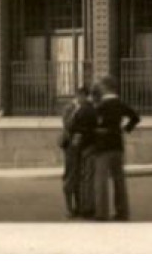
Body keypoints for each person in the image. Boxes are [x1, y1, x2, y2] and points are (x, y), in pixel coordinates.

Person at [88, 76, 141, 221]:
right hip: (117, 144)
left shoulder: (100, 106)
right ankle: (122, 211)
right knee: (119, 180)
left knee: (101, 181)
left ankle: (102, 213)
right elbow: (135, 117)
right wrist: (125, 129)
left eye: (100, 86)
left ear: (105, 87)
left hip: (103, 146)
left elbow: (93, 124)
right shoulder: (120, 104)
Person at [60, 90, 97, 219]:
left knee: (79, 177)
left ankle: (79, 207)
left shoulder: (86, 108)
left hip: (80, 147)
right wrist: (75, 111)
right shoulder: (71, 108)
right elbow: (67, 125)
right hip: (71, 147)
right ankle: (70, 209)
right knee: (71, 177)